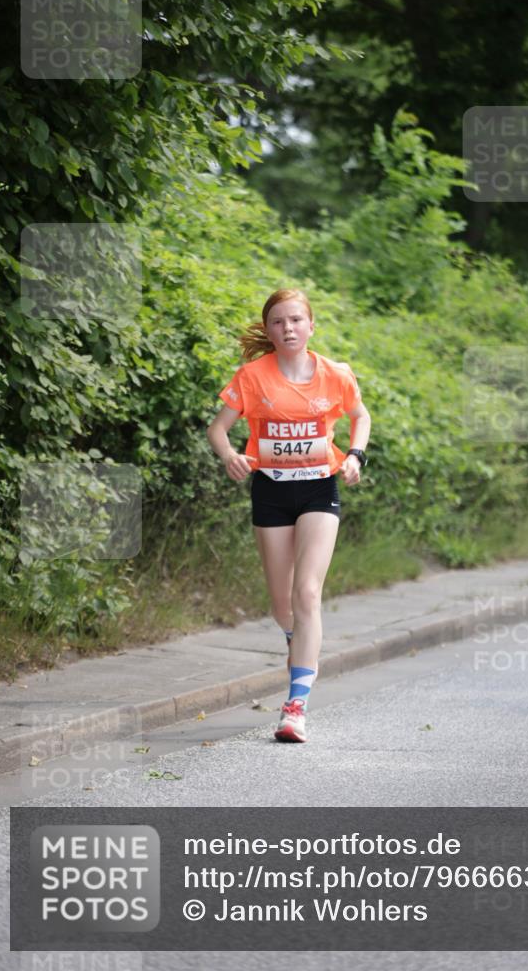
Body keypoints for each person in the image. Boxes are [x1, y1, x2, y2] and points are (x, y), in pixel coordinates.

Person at [206, 288, 371, 743]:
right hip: (272, 492)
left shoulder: (335, 374)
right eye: (278, 322)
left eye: (296, 320)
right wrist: (229, 456)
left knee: (308, 592)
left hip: (320, 487)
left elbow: (361, 415)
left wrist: (355, 455)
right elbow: (218, 429)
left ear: (311, 325)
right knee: (283, 607)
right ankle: (297, 642)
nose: (288, 329)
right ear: (269, 330)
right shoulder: (253, 377)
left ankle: (295, 706)